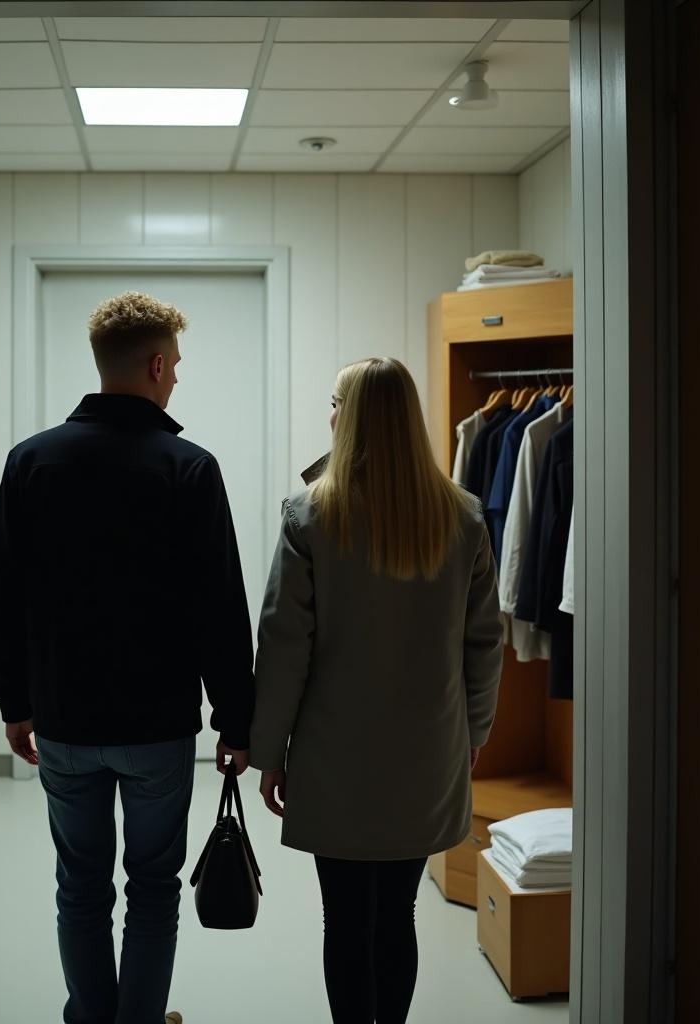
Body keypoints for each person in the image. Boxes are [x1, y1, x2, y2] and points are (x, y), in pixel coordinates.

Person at [0, 291, 255, 1024]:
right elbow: (219, 607)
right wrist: (236, 718)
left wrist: (13, 702)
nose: (177, 379)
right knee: (153, 886)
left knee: (79, 885)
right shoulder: (189, 467)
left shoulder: (30, 461)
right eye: (177, 366)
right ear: (157, 363)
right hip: (157, 726)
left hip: (64, 722)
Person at [249, 357, 503, 1024]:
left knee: (345, 917)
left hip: (334, 758)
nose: (329, 414)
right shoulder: (464, 517)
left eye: (335, 403)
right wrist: (473, 732)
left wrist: (268, 751)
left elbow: (282, 648)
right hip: (427, 754)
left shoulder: (310, 516)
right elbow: (484, 643)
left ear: (354, 416)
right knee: (399, 912)